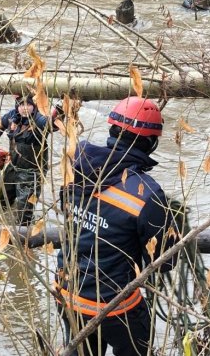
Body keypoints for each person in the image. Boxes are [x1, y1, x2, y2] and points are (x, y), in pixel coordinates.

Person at [56, 96, 177, 356]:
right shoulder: (147, 193)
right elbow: (165, 261)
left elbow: (69, 212)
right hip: (116, 308)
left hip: (68, 296)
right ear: (150, 144)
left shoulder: (76, 165)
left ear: (111, 130)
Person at [0, 94, 61, 226]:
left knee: (24, 216)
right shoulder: (12, 116)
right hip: (13, 167)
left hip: (31, 173)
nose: (25, 108)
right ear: (17, 106)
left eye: (28, 105)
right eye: (22, 105)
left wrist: (58, 112)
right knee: (0, 202)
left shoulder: (39, 119)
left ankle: (25, 241)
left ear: (34, 106)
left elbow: (51, 125)